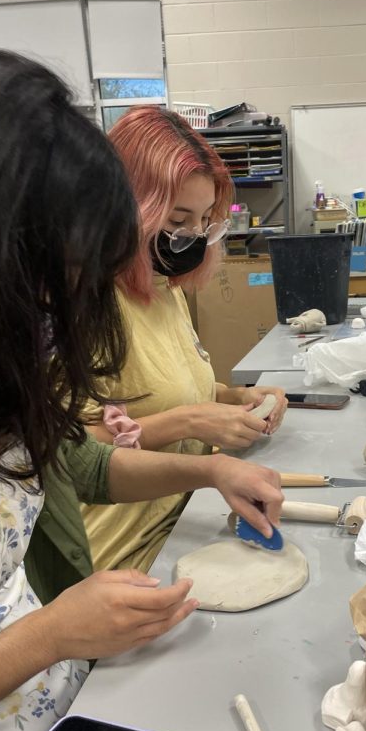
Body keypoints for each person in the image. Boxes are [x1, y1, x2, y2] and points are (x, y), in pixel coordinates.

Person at [0, 50, 282, 731]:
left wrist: (209, 469)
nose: (66, 308)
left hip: (60, 716)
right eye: (52, 281)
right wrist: (50, 635)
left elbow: (81, 467)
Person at [80, 107, 287, 573]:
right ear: (125, 208)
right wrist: (188, 422)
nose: (191, 237)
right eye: (177, 221)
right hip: (118, 554)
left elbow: (156, 389)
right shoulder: (83, 307)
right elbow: (62, 454)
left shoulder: (160, 287)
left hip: (181, 517)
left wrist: (235, 397)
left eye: (202, 221)